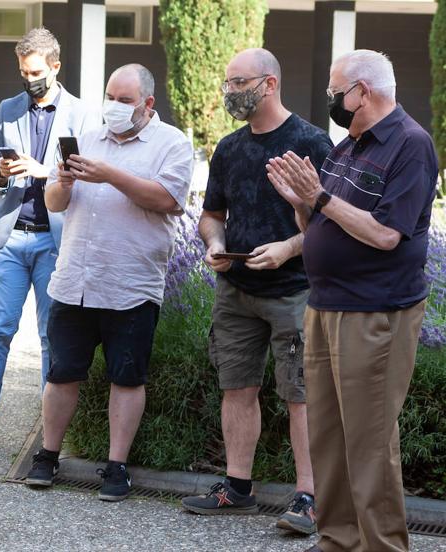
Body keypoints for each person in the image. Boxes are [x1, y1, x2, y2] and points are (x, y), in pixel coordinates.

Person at [266, 50, 438, 552]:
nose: (331, 101)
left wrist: (319, 198)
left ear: (364, 91)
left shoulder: (410, 145)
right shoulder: (347, 148)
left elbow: (387, 235)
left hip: (375, 313)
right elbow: (318, 225)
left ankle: (382, 545)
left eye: (336, 91)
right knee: (329, 436)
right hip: (325, 305)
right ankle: (337, 539)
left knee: (368, 442)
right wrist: (302, 204)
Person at [23, 64, 193, 500]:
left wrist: (109, 175)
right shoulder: (88, 138)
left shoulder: (170, 143)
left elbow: (169, 200)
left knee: (127, 377)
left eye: (124, 100)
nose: (113, 107)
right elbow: (55, 202)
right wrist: (61, 180)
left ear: (147, 104)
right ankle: (47, 456)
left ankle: (116, 467)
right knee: (62, 373)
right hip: (76, 278)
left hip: (131, 283)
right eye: (110, 97)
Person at [180, 49, 331, 535]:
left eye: (237, 82)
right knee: (236, 388)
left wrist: (288, 248)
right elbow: (211, 215)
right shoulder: (228, 148)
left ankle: (309, 498)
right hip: (236, 289)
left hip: (294, 291)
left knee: (301, 396)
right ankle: (236, 488)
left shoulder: (313, 142)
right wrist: (216, 244)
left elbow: (333, 226)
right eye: (226, 83)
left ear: (268, 84)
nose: (228, 92)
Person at [0, 27, 98, 453]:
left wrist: (44, 170)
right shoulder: (8, 108)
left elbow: (87, 175)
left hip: (54, 241)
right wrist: (0, 174)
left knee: (48, 337)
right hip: (9, 237)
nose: (29, 79)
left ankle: (47, 433)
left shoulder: (81, 114)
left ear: (55, 67)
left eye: (36, 71)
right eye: (23, 72)